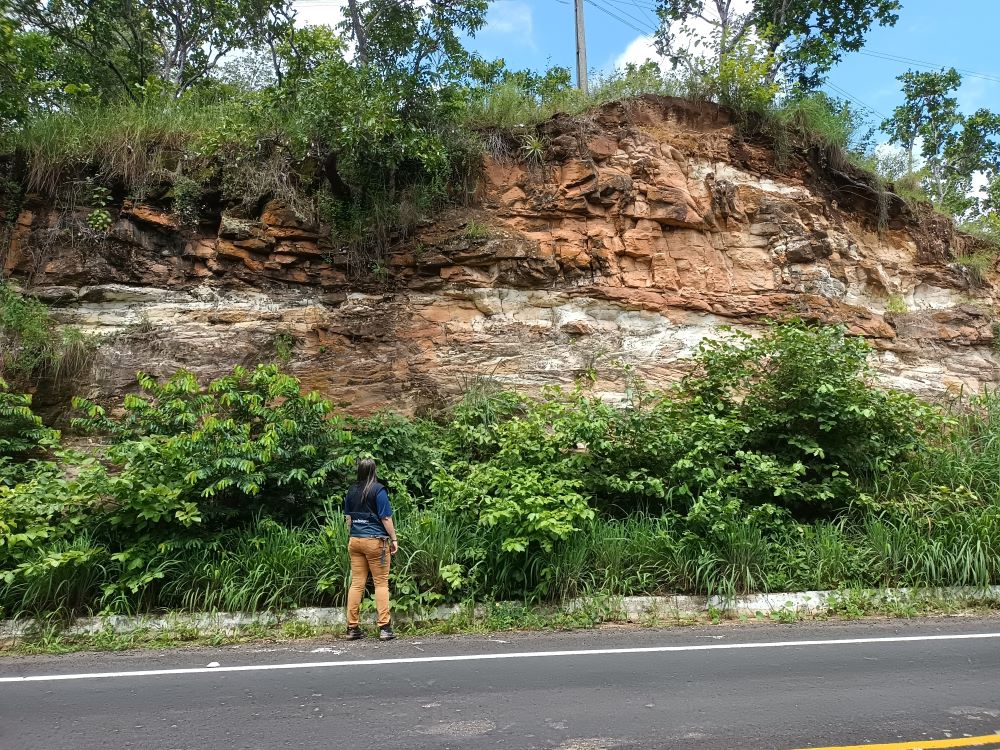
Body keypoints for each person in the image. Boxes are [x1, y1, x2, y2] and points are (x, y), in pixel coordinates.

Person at [343, 458, 398, 641]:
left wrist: (356, 534)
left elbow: (349, 519)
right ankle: (384, 628)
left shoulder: (351, 490)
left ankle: (352, 628)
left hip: (355, 540)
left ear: (359, 471)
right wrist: (394, 539)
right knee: (381, 583)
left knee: (357, 583)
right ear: (374, 471)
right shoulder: (378, 490)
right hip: (375, 542)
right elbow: (386, 518)